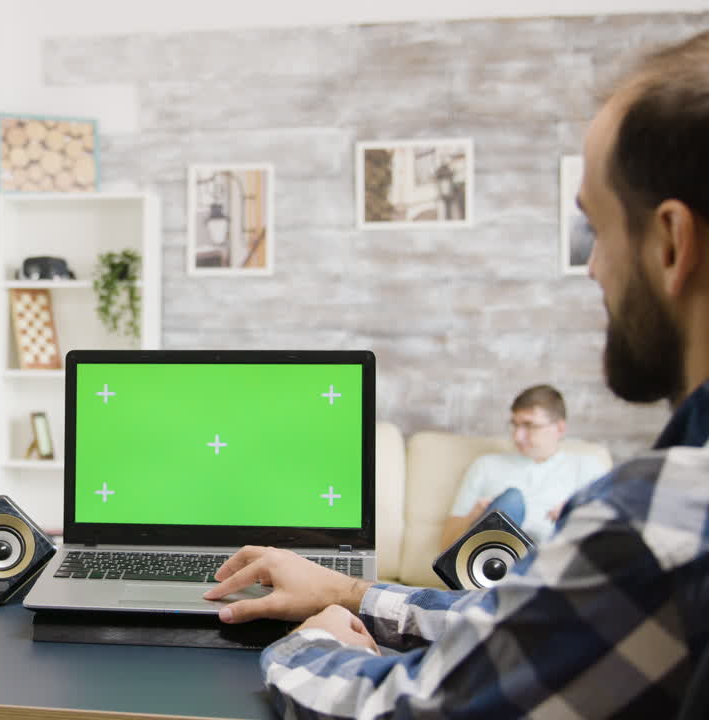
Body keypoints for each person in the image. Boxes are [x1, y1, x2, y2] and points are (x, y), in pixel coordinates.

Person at [204, 32, 709, 718]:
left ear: (672, 243)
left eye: (597, 229)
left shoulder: (661, 521)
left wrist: (313, 640)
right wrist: (348, 593)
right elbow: (530, 630)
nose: (592, 268)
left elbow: (402, 708)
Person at [438, 384, 607, 548]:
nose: (517, 436)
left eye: (529, 426)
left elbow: (608, 537)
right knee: (511, 500)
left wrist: (573, 517)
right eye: (515, 425)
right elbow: (446, 545)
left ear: (560, 428)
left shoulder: (587, 467)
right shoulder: (486, 465)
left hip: (550, 555)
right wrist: (474, 517)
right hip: (492, 558)